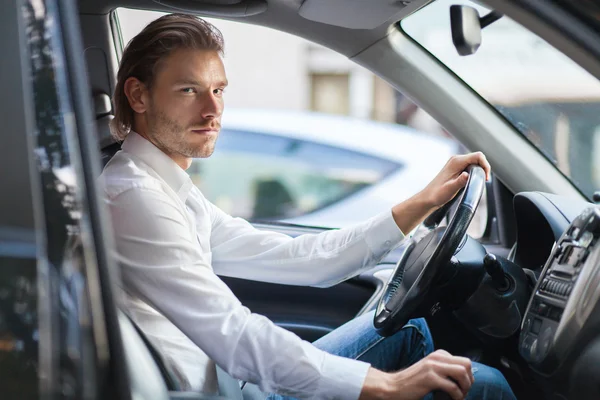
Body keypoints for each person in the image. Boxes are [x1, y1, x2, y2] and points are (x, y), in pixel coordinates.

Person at [100, 13, 516, 400]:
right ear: (138, 95)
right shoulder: (136, 199)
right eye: (189, 90)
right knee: (486, 385)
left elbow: (297, 257)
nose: (212, 111)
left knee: (410, 332)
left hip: (237, 385)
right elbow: (234, 334)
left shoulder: (165, 187)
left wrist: (421, 203)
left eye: (218, 90)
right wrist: (386, 386)